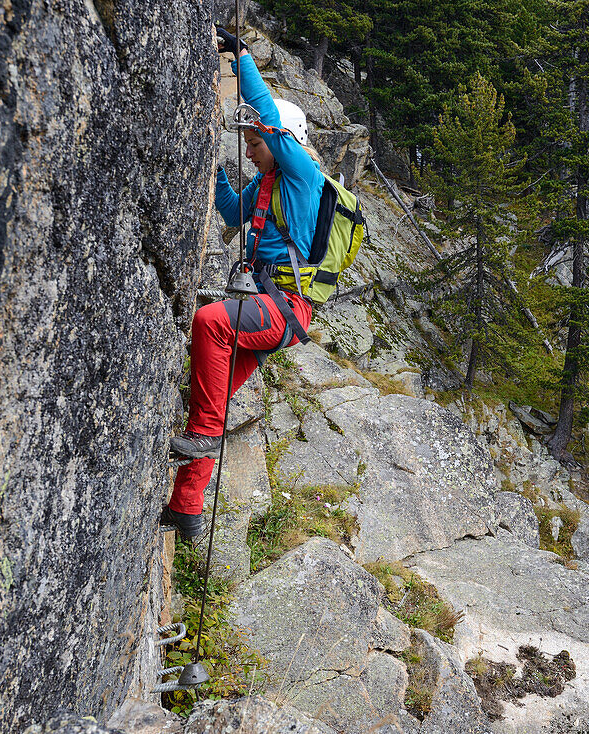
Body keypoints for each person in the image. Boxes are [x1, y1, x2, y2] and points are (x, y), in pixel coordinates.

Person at [161, 27, 324, 539]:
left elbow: (269, 120)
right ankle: (186, 510)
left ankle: (202, 440)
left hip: (285, 306)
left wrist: (242, 58)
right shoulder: (266, 184)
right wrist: (210, 170)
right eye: (249, 142)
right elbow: (231, 209)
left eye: (255, 143)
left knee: (210, 324)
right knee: (209, 396)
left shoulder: (303, 176)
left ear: (283, 143)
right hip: (268, 306)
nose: (251, 148)